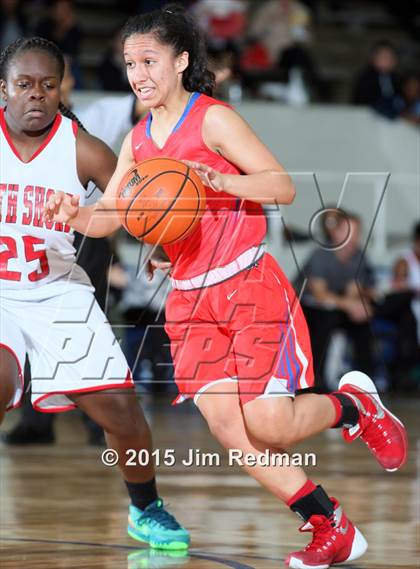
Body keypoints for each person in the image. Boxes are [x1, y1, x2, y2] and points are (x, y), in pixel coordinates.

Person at [44, 6, 408, 568]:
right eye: (129, 63)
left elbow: (283, 187)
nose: (138, 73)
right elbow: (111, 214)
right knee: (231, 432)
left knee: (270, 425)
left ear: (182, 61)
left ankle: (353, 406)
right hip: (189, 300)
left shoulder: (212, 119)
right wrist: (76, 212)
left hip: (248, 284)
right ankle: (327, 524)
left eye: (149, 61)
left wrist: (223, 180)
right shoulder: (139, 140)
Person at [0, 36, 189, 549]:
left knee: (123, 414)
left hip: (59, 290)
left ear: (60, 89)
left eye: (47, 84)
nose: (36, 94)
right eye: (24, 85)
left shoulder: (83, 148)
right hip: (2, 296)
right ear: (4, 90)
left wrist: (159, 242)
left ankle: (146, 508)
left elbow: (136, 207)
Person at [300, 212, 376, 390]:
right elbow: (320, 294)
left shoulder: (359, 257)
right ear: (334, 233)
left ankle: (366, 382)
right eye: (346, 231)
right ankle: (315, 381)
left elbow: (354, 290)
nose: (352, 237)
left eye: (356, 232)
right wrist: (350, 304)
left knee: (363, 324)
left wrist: (361, 305)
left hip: (336, 307)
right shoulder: (320, 256)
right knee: (326, 322)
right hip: (308, 307)